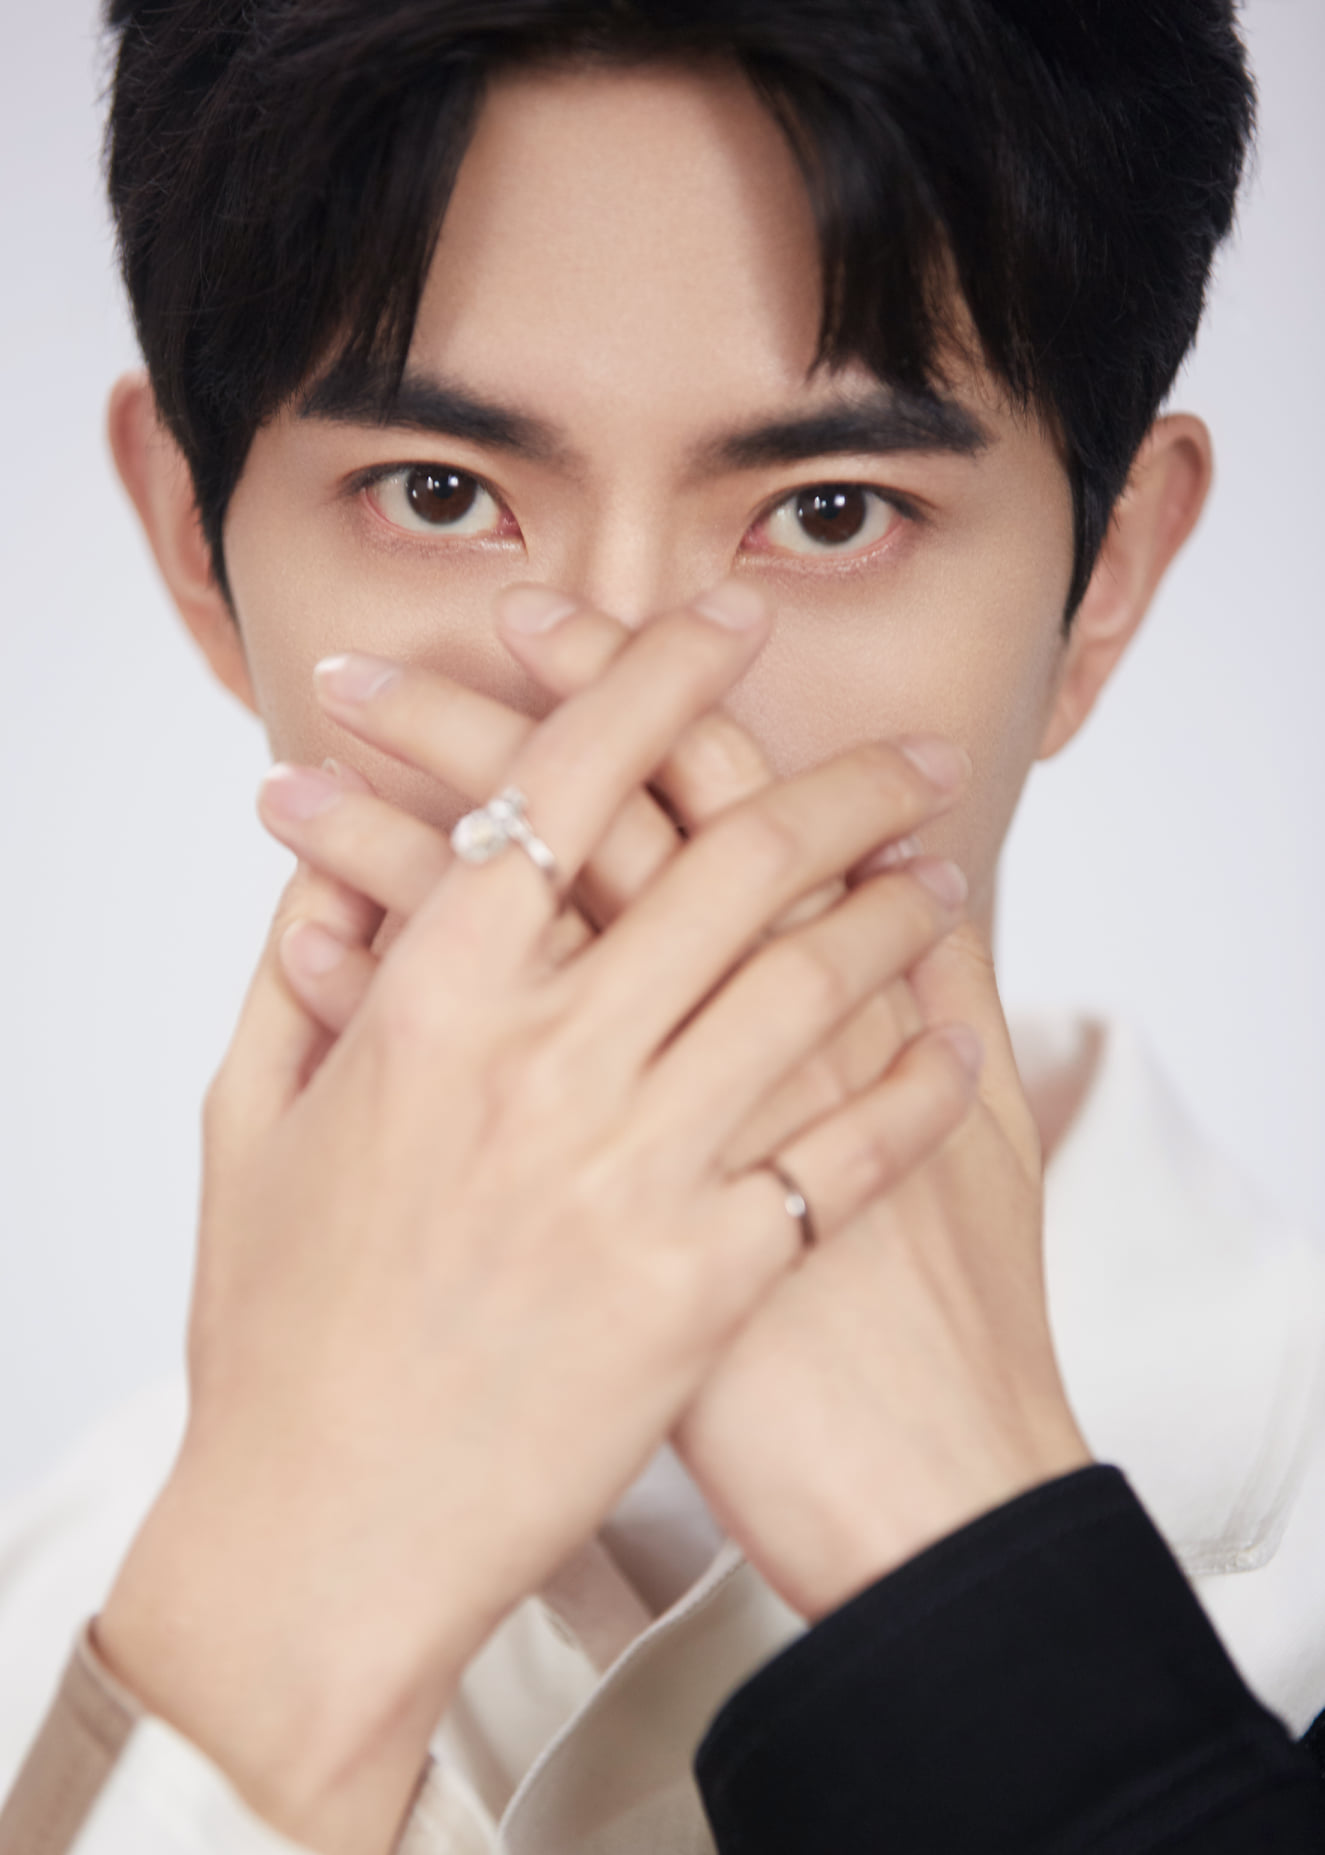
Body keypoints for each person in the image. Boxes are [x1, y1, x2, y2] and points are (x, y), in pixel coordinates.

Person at [1, 2, 1323, 1851]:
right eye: (441, 497)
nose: (616, 709)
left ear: (1100, 587)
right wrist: (271, 1627)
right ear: (195, 551)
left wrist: (977, 1568)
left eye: (832, 513)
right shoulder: (65, 1597)